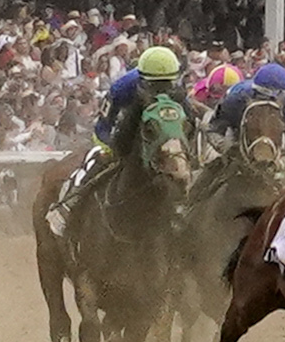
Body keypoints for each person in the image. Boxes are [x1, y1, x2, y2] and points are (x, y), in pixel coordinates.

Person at [59, 46, 190, 215]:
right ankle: (71, 202)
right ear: (142, 78)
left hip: (158, 138)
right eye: (154, 84)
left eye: (166, 83)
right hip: (128, 132)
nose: (161, 89)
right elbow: (104, 125)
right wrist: (109, 148)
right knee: (96, 160)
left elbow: (188, 121)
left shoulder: (176, 89)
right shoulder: (121, 87)